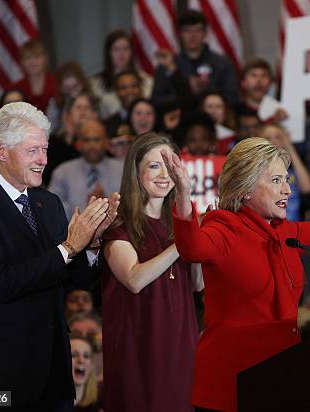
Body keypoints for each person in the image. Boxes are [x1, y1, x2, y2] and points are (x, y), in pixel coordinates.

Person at [161, 137, 310, 411]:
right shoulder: (223, 228)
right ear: (246, 189)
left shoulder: (286, 231)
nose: (287, 190)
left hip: (282, 373)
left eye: (286, 180)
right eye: (276, 181)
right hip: (231, 382)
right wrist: (183, 194)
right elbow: (192, 248)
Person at [0, 102, 120, 410]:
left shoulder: (49, 203)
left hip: (53, 374)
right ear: (1, 151)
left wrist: (92, 244)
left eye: (44, 149)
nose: (43, 160)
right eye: (33, 151)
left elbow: (74, 279)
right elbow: (3, 283)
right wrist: (70, 247)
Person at [102, 133, 201, 411]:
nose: (164, 174)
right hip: (138, 348)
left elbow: (197, 284)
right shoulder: (118, 224)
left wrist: (197, 236)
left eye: (170, 166)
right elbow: (134, 279)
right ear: (136, 170)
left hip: (180, 346)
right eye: (154, 165)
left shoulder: (179, 222)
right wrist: (185, 241)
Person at [153, 10, 239, 107]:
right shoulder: (167, 66)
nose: (192, 36)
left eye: (197, 30)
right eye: (187, 31)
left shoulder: (222, 63)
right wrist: (186, 90)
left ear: (205, 33)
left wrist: (205, 90)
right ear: (180, 34)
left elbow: (233, 99)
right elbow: (156, 102)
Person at [49, 119, 123, 220]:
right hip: (71, 233)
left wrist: (109, 207)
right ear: (78, 144)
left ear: (106, 143)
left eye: (96, 140)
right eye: (86, 140)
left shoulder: (122, 170)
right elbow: (51, 210)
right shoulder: (62, 172)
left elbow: (134, 207)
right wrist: (85, 211)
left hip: (116, 233)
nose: (92, 145)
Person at [90, 29, 153, 119]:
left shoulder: (146, 81)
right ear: (108, 53)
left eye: (126, 48)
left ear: (131, 52)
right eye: (116, 49)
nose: (121, 53)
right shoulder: (95, 83)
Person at [260, 123, 310, 221]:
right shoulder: (256, 173)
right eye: (268, 138)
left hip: (292, 230)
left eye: (278, 137)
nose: (273, 141)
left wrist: (289, 146)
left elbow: (307, 188)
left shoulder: (291, 171)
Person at [11, 39, 58, 115]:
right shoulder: (15, 89)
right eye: (27, 58)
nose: (32, 62)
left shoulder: (57, 83)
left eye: (37, 57)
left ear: (45, 59)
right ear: (22, 62)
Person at [70, 335, 101, 412]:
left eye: (86, 356)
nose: (81, 360)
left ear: (91, 365)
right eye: (73, 355)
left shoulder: (101, 403)